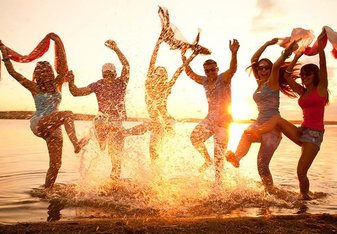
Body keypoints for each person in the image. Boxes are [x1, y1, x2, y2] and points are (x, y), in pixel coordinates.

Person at [246, 29, 329, 200]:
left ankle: (304, 197)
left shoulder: (321, 90)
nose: (304, 76)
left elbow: (322, 65)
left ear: (315, 75)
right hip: (302, 131)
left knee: (301, 172)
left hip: (314, 136)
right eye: (303, 74)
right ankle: (258, 130)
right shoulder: (303, 91)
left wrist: (320, 47)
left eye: (308, 74)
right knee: (276, 120)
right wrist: (297, 55)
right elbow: (287, 75)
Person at [0, 34, 88, 190]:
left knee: (56, 165)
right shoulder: (34, 88)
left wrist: (56, 40)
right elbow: (13, 72)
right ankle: (76, 144)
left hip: (54, 126)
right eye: (42, 72)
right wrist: (4, 52)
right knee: (67, 114)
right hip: (40, 123)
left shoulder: (58, 83)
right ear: (37, 75)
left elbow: (62, 66)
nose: (45, 74)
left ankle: (47, 191)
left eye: (48, 70)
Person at [67, 39, 147, 180]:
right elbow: (76, 92)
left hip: (116, 123)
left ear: (115, 74)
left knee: (116, 160)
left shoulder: (121, 83)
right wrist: (71, 82)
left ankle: (114, 182)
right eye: (105, 74)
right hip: (102, 120)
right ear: (102, 74)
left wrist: (116, 49)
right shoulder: (98, 85)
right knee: (102, 125)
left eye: (110, 74)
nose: (108, 77)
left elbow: (126, 65)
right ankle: (91, 140)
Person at [225, 38, 299, 191]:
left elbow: (277, 65)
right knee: (247, 133)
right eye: (260, 68)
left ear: (271, 70)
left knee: (261, 164)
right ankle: (236, 158)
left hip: (272, 128)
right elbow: (253, 60)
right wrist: (266, 44)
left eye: (266, 68)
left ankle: (271, 192)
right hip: (259, 123)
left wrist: (287, 53)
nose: (263, 70)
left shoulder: (272, 82)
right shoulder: (259, 82)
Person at [182, 39, 240, 185]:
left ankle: (218, 187)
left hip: (223, 123)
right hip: (210, 120)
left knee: (218, 158)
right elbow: (189, 73)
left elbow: (233, 69)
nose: (210, 73)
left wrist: (234, 53)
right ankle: (207, 160)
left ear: (217, 69)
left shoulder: (224, 79)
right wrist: (184, 57)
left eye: (213, 69)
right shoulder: (205, 81)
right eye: (207, 71)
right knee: (195, 138)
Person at [145, 27, 200, 161]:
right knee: (154, 151)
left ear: (164, 78)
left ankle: (159, 176)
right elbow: (152, 61)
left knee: (156, 149)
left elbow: (180, 70)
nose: (160, 75)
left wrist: (193, 55)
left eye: (163, 74)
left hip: (166, 121)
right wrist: (158, 43)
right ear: (153, 75)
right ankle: (158, 177)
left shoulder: (165, 86)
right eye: (158, 72)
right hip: (159, 122)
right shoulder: (148, 85)